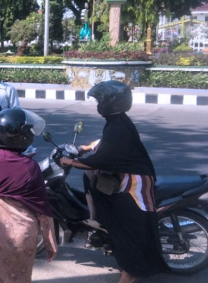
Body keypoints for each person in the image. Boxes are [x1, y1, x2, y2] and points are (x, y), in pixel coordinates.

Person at [59, 80, 169, 283]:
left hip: (135, 187)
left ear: (111, 102)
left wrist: (71, 161)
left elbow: (100, 160)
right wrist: (87, 147)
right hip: (128, 179)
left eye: (99, 100)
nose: (97, 104)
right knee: (98, 191)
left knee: (126, 229)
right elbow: (104, 143)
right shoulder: (117, 122)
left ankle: (130, 271)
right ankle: (105, 231)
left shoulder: (118, 127)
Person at [0, 108, 57, 282]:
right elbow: (42, 208)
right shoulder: (30, 167)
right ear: (22, 137)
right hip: (21, 238)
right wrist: (50, 242)